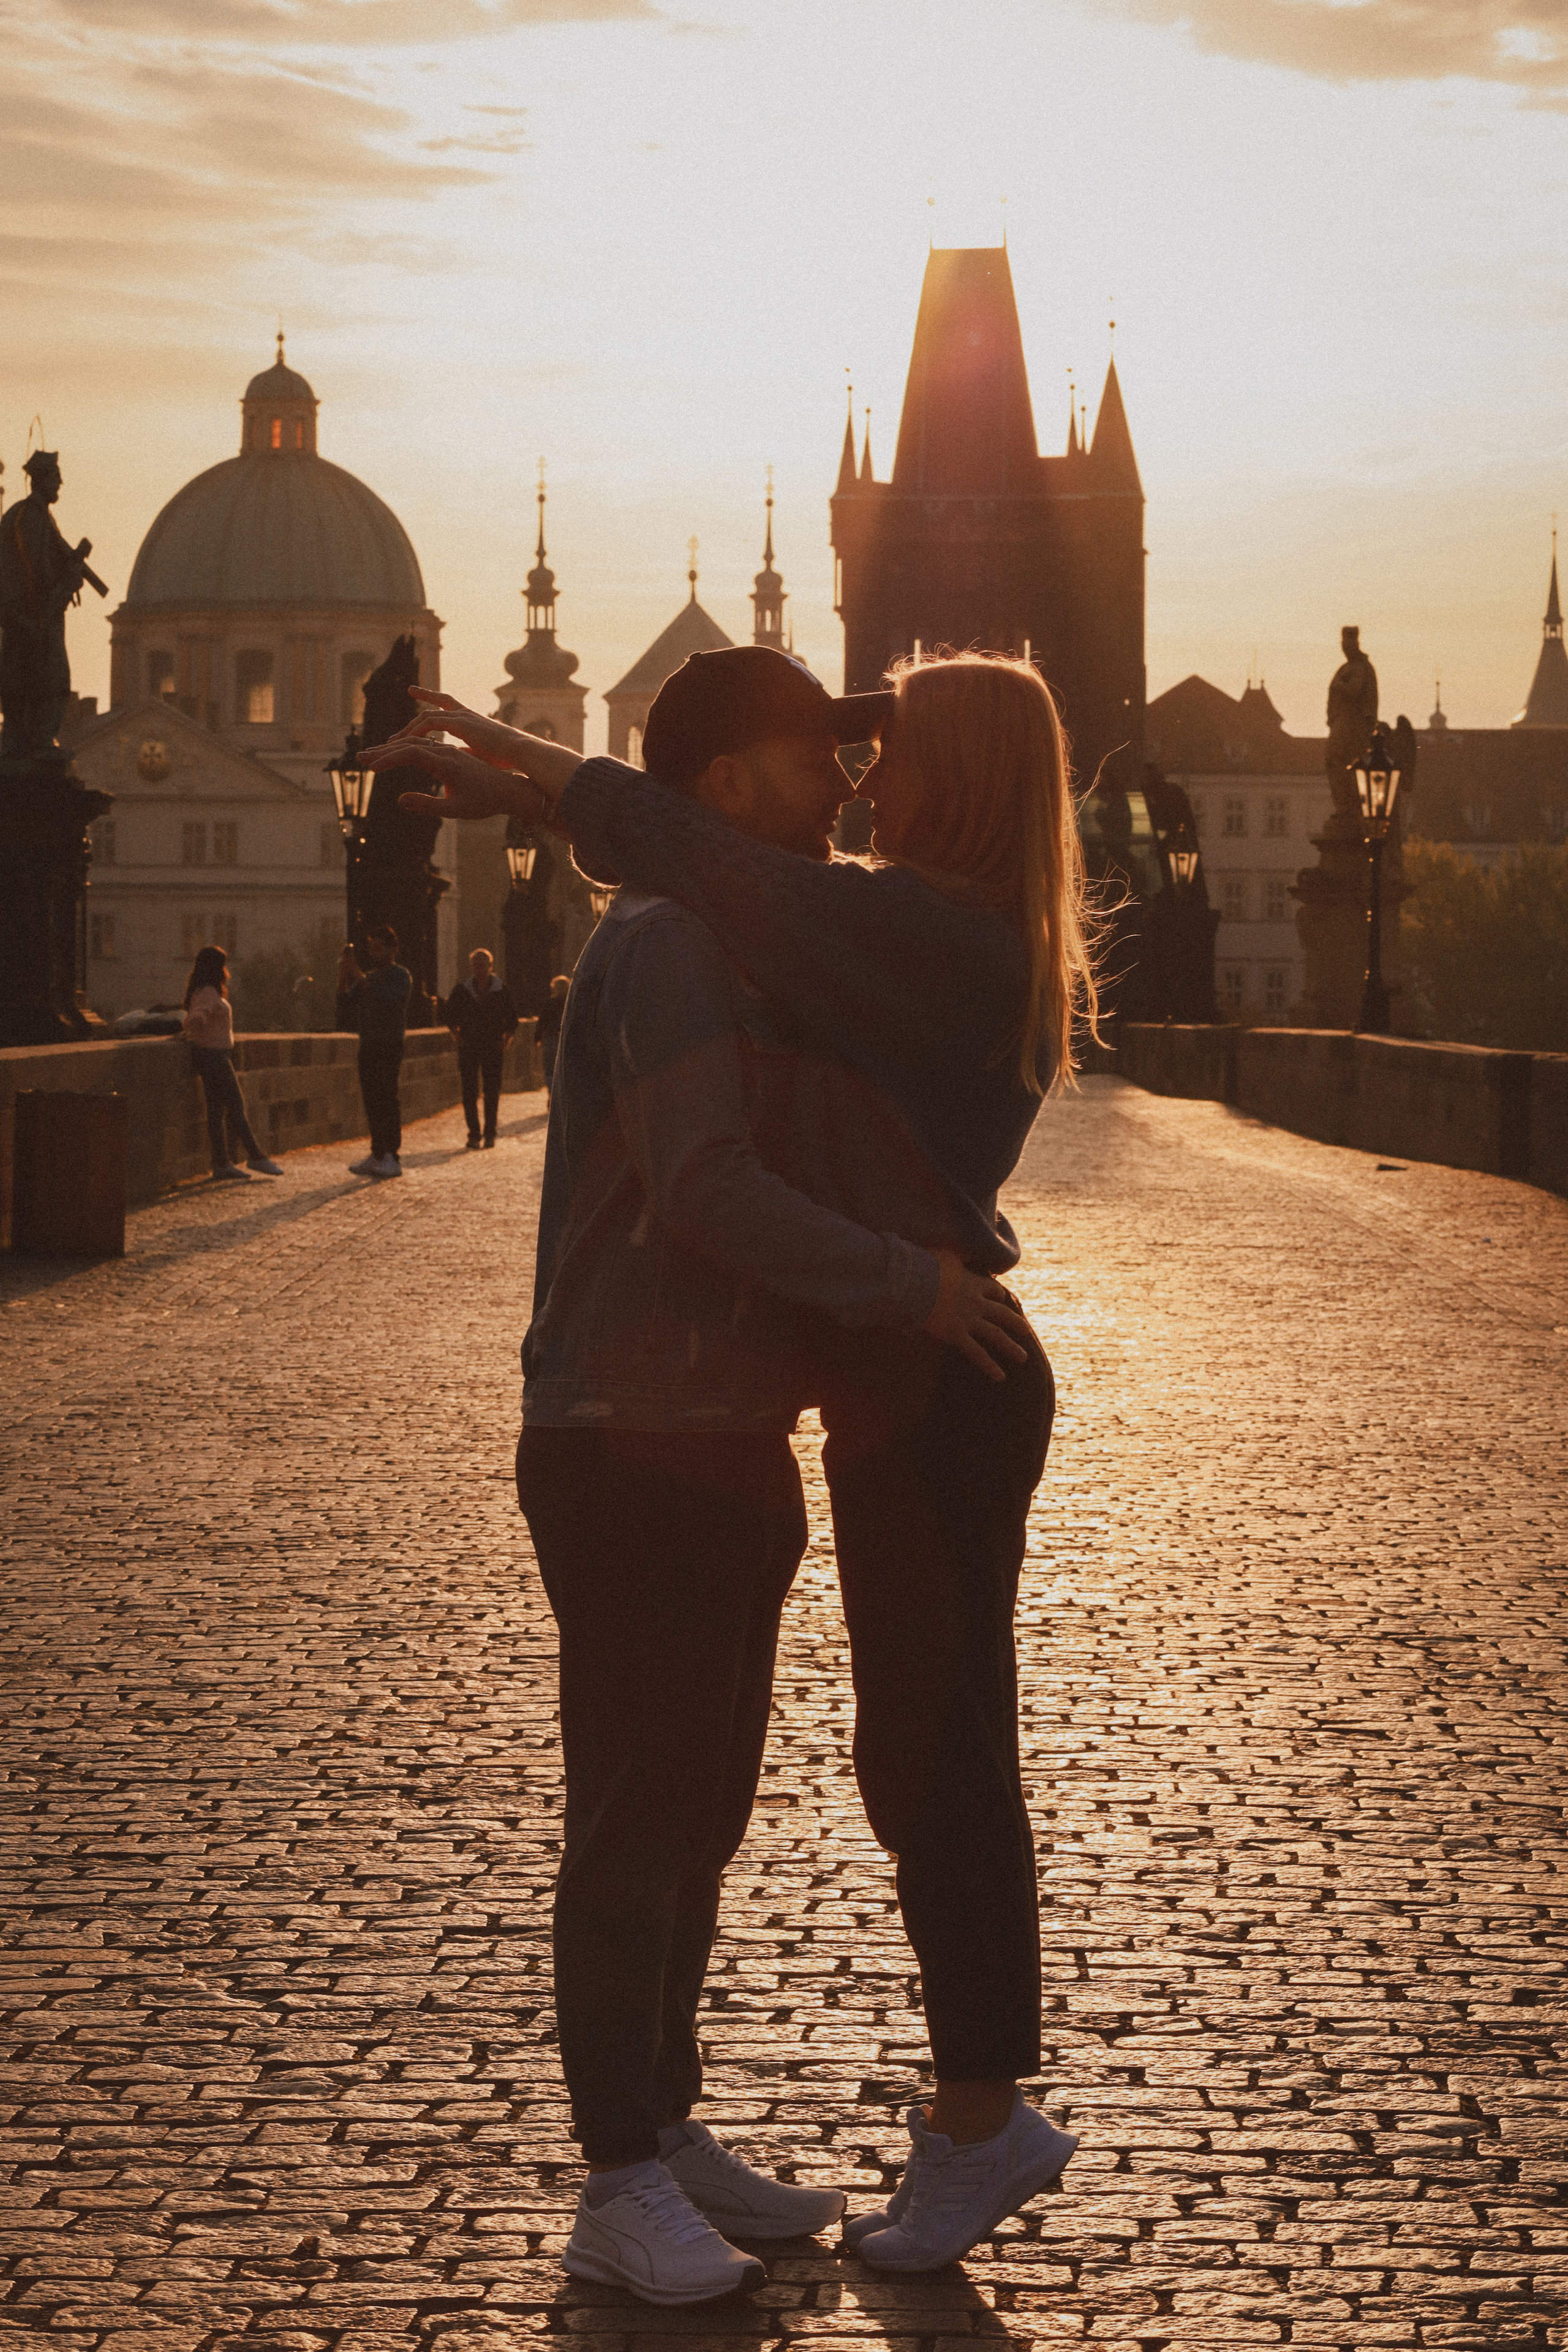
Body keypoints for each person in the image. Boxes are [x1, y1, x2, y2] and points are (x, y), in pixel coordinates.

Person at [358, 647, 1044, 2307]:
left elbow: (711, 849)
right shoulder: (704, 941)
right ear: (741, 780)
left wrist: (548, 778)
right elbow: (707, 1163)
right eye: (827, 751)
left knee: (859, 1769)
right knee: (686, 1798)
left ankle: (926, 2119)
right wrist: (907, 1285)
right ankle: (640, 2156)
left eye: (881, 754)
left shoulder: (899, 933)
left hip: (858, 1400)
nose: (854, 777)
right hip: (708, 1406)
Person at [181, 946, 284, 1183]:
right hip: (215, 1057)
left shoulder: (205, 991)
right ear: (216, 968)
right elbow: (198, 1015)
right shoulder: (207, 992)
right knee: (236, 1107)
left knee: (216, 1112)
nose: (226, 971)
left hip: (211, 1055)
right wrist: (196, 1021)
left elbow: (195, 1015)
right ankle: (256, 1156)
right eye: (223, 965)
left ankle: (221, 1164)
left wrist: (194, 1022)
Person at [339, 927, 412, 1180]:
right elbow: (346, 1004)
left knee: (387, 1098)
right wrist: (343, 975)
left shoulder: (400, 976)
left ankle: (392, 1155)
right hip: (369, 1043)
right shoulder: (368, 977)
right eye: (372, 948)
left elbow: (385, 998)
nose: (374, 953)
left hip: (389, 1043)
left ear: (393, 949)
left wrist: (357, 975)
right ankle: (377, 1152)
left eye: (379, 948)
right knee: (371, 1098)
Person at [443, 947, 519, 1149]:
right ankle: (474, 1134)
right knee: (469, 1092)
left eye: (482, 964)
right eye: (475, 965)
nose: (478, 968)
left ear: (490, 966)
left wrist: (507, 1039)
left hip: (493, 1046)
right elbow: (449, 1014)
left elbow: (512, 1018)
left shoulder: (501, 989)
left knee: (492, 1091)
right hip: (469, 1046)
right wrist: (456, 1034)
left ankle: (490, 1133)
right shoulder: (462, 990)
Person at [535, 973, 570, 1096]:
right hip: (567, 1040)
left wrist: (537, 1038)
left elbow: (541, 1022)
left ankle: (552, 1092)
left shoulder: (549, 1003)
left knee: (550, 1068)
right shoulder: (570, 1004)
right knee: (565, 1068)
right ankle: (563, 1094)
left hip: (550, 1039)